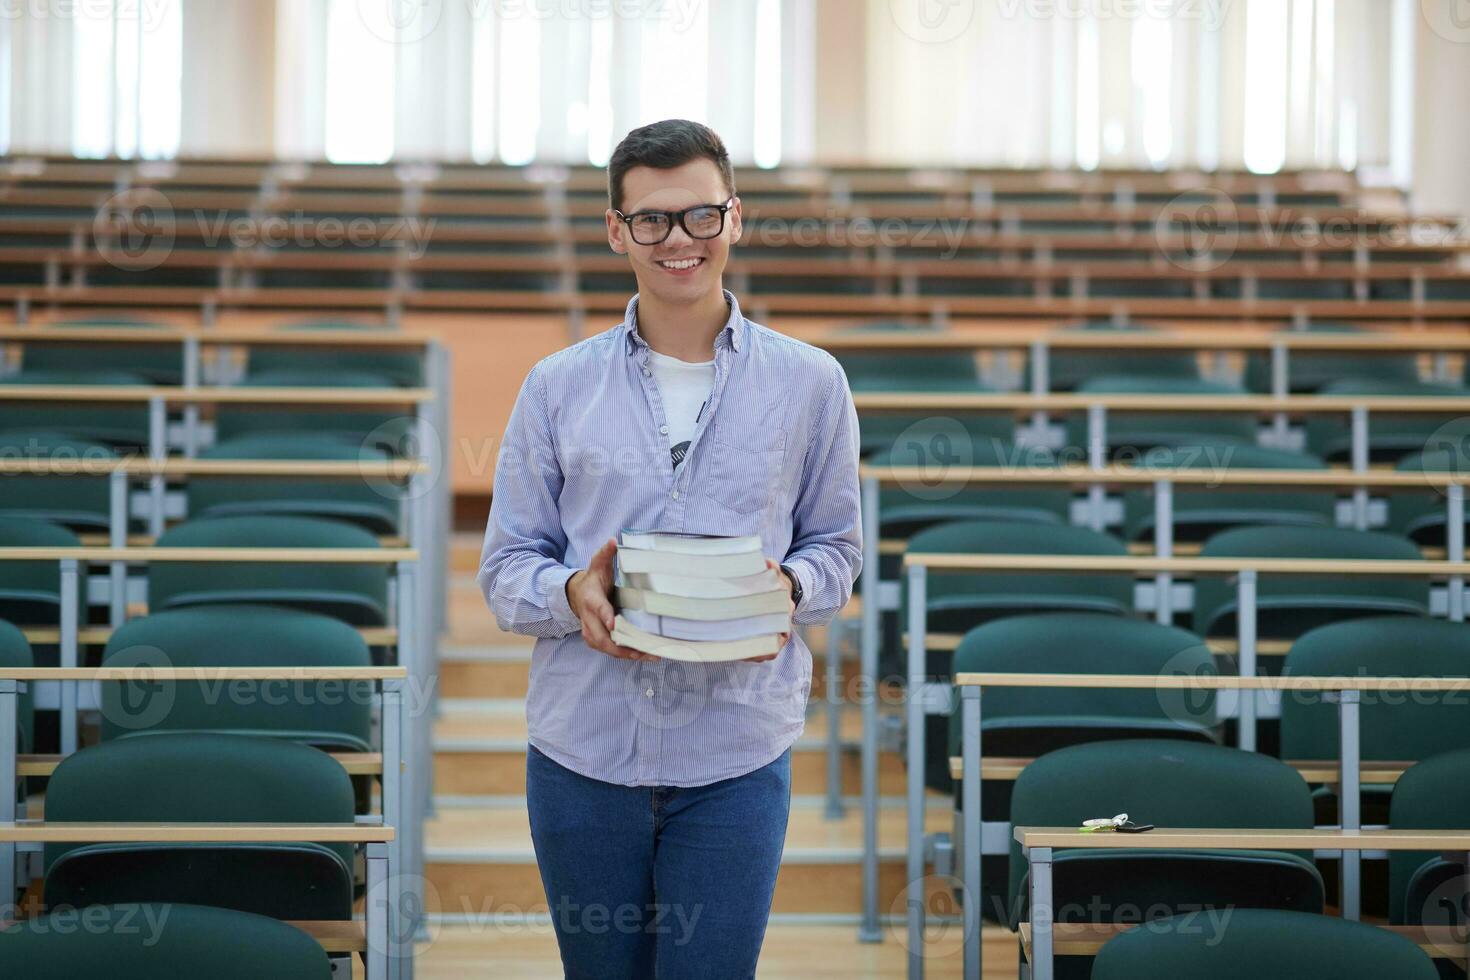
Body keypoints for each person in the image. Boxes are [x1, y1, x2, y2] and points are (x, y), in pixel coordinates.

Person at [478, 118, 862, 979]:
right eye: (650, 220)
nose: (677, 240)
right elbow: (506, 568)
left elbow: (838, 548)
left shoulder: (812, 383)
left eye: (698, 216)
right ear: (617, 230)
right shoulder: (556, 385)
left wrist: (790, 588)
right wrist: (572, 592)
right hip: (584, 752)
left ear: (735, 218)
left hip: (737, 751)